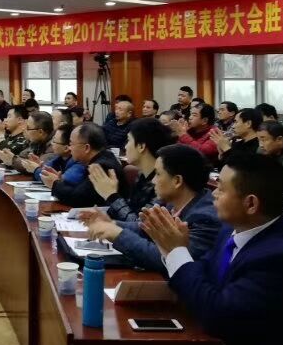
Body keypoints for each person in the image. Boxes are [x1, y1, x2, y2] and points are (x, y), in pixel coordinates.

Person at [141, 152, 283, 345]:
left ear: (251, 204)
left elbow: (218, 317)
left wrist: (176, 251)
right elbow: (204, 270)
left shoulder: (281, 259)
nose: (213, 194)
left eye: (221, 188)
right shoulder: (232, 229)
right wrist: (170, 251)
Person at [82, 144, 220, 274]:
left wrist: (117, 234)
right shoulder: (174, 203)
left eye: (158, 174)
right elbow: (146, 230)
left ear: (177, 181)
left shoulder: (205, 218)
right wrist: (111, 224)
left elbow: (167, 260)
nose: (153, 181)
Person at [89, 117, 175, 221]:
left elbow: (140, 225)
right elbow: (129, 211)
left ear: (141, 146)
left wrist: (111, 195)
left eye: (129, 140)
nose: (125, 147)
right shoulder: (142, 175)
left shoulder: (162, 182)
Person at [40, 123, 126, 207]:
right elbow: (80, 190)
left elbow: (78, 199)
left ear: (86, 148)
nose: (69, 148)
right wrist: (60, 182)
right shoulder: (99, 159)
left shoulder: (102, 166)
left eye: (71, 144)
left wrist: (54, 184)